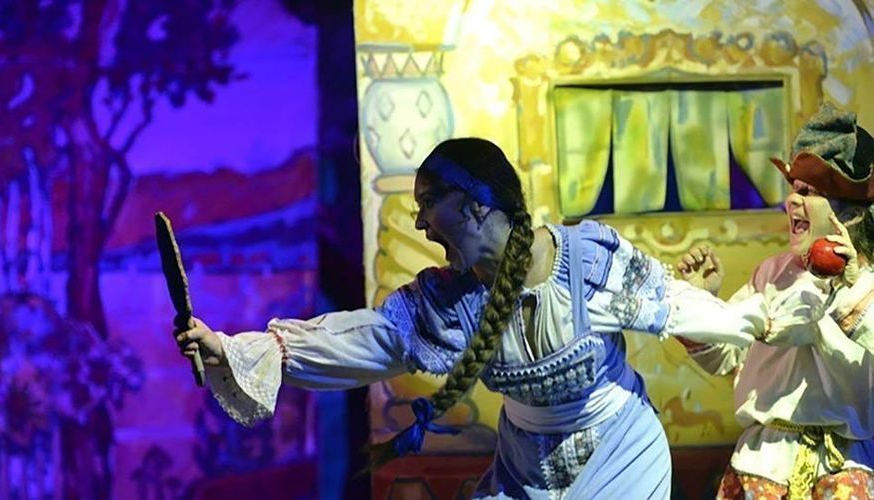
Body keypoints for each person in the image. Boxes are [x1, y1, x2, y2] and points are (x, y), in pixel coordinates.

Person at [175, 137, 769, 498]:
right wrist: (235, 348)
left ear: (476, 204)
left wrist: (765, 315)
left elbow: (677, 305)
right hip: (524, 465)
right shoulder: (448, 299)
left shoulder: (586, 261)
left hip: (619, 456)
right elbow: (368, 340)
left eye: (429, 202)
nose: (419, 221)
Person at [676, 103, 874, 499]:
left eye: (808, 192)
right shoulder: (771, 274)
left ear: (849, 213)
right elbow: (727, 356)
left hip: (844, 470)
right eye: (793, 188)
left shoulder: (867, 285)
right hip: (761, 465)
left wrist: (851, 288)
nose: (793, 201)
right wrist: (700, 302)